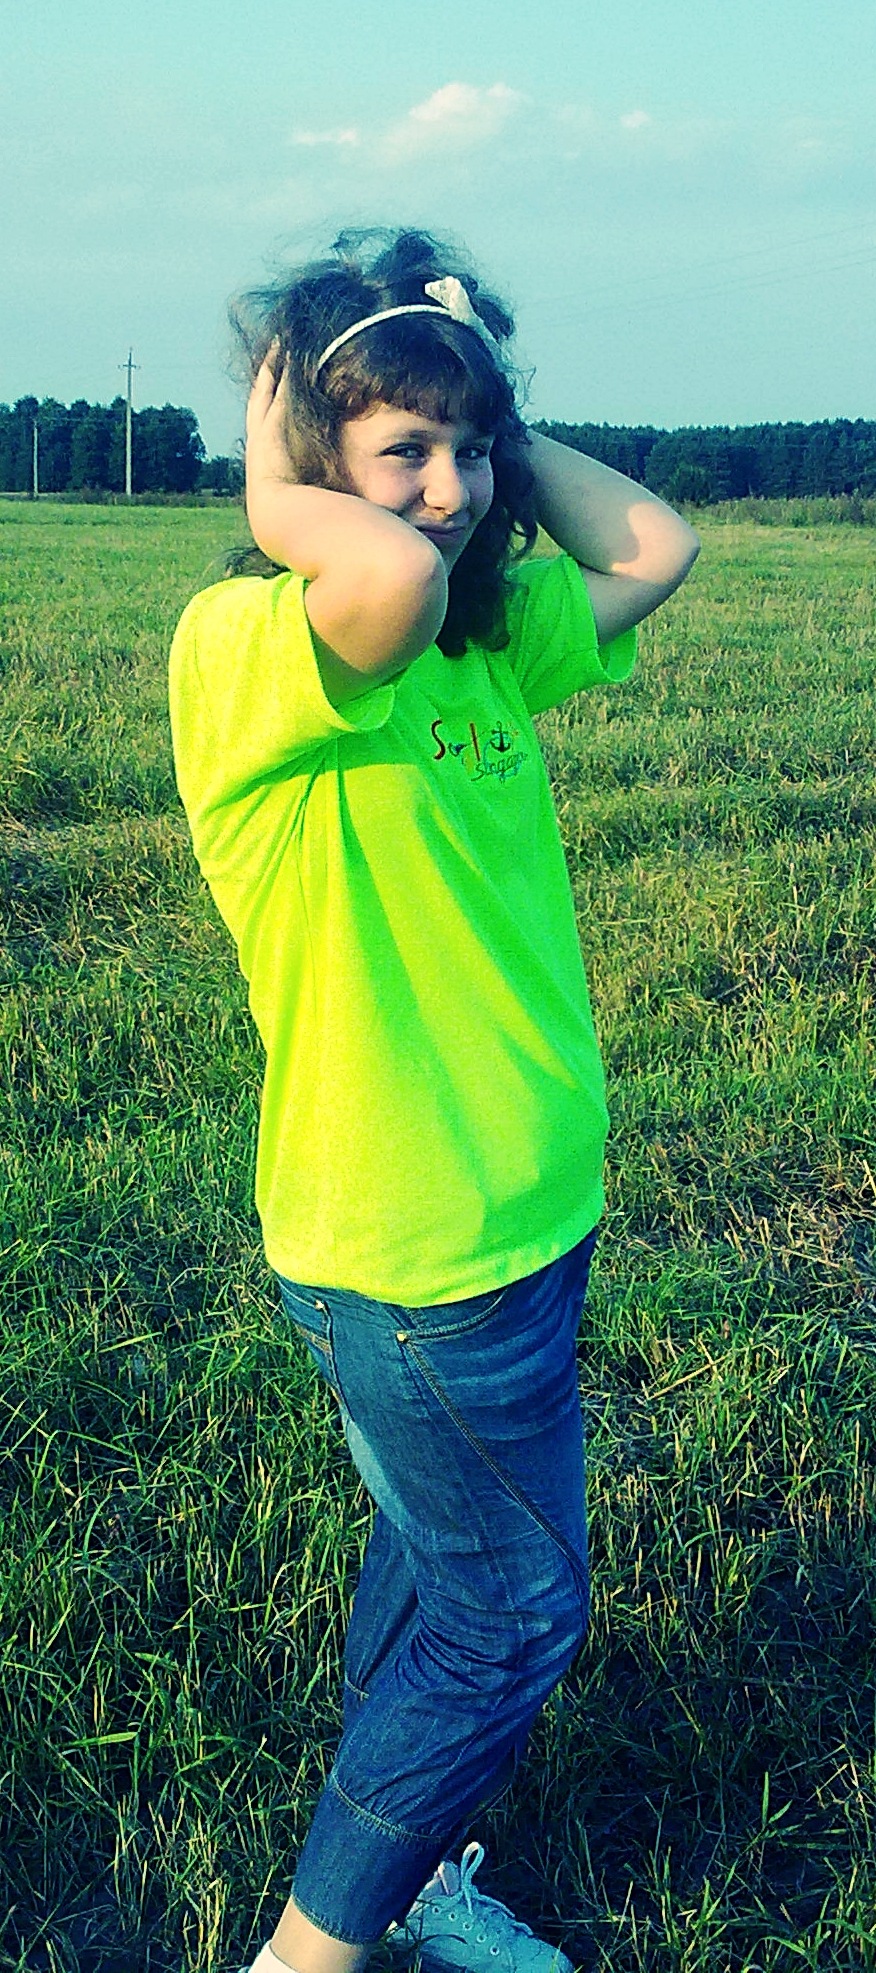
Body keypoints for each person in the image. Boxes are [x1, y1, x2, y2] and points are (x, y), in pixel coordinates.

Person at [168, 227, 699, 1973]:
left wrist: (487, 414)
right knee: (511, 1613)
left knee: (437, 1564)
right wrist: (278, 474)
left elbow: (656, 545)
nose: (455, 494)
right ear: (306, 458)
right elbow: (381, 576)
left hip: (530, 1210)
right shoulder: (250, 648)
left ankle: (402, 1875)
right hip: (412, 1244)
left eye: (473, 450)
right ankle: (308, 1955)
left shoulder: (485, 646)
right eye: (406, 449)